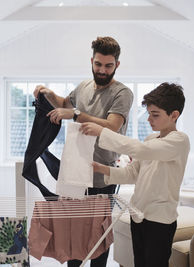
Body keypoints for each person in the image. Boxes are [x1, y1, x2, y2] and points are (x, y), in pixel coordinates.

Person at [34, 36, 133, 267]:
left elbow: (112, 126)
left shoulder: (122, 93)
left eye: (108, 65)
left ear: (117, 64)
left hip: (102, 177)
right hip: (76, 175)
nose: (102, 70)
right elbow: (63, 103)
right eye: (98, 64)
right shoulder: (83, 87)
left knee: (98, 240)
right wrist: (46, 92)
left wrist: (76, 115)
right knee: (74, 237)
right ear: (92, 60)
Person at [80, 82, 190, 267]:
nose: (149, 120)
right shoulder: (151, 139)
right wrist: (102, 168)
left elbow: (141, 149)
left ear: (174, 115)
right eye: (149, 114)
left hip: (160, 220)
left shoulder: (179, 141)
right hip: (138, 215)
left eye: (155, 115)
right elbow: (132, 173)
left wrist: (103, 131)